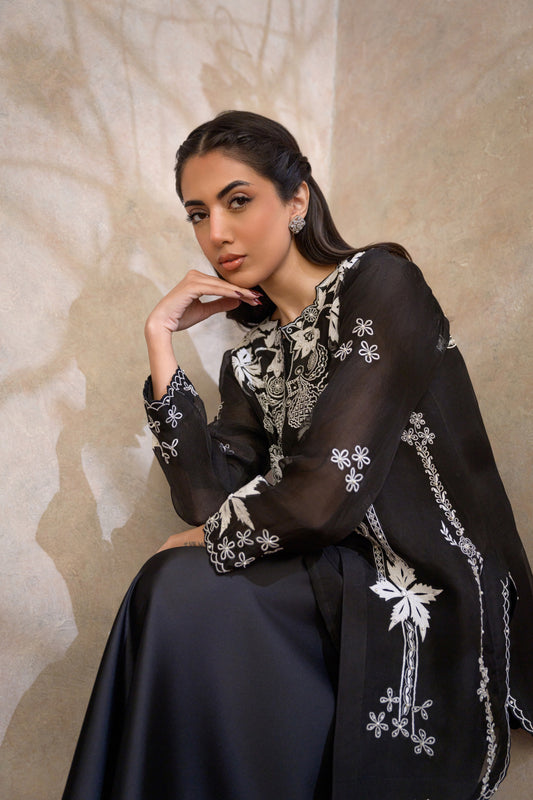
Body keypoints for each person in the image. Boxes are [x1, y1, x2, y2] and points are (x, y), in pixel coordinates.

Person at [62, 110, 533, 800]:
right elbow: (205, 499)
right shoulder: (252, 362)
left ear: (297, 200)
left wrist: (205, 539)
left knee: (178, 581)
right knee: (170, 588)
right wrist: (160, 337)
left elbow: (322, 495)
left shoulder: (383, 284)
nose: (216, 233)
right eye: (197, 214)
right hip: (326, 572)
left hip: (419, 579)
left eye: (238, 201)